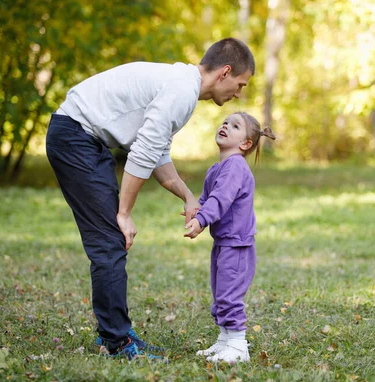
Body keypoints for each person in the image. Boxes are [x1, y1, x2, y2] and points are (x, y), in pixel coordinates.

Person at [45, 38, 255, 359]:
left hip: (84, 138)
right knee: (109, 240)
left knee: (110, 240)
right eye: (240, 84)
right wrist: (125, 212)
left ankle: (114, 332)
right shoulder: (181, 90)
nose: (238, 93)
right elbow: (142, 152)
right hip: (76, 137)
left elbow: (157, 154)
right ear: (225, 72)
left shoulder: (180, 85)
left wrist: (187, 197)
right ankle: (116, 343)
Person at [184, 112, 276, 363]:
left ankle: (237, 347)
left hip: (237, 244)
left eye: (235, 126)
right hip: (223, 242)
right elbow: (207, 199)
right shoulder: (217, 168)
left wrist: (202, 220)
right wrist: (196, 212)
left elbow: (221, 199)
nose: (225, 126)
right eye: (225, 122)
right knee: (220, 293)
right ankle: (225, 340)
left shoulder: (235, 166)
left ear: (245, 144)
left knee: (229, 295)